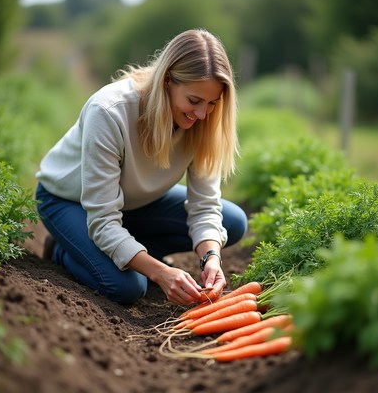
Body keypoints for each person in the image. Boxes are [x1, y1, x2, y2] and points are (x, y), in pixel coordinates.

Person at [35, 28, 247, 306]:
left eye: (212, 103)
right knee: (127, 287)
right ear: (168, 79)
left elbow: (205, 206)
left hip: (132, 205)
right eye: (194, 101)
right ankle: (63, 251)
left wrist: (211, 259)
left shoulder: (204, 121)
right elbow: (103, 220)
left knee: (232, 222)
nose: (201, 114)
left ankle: (128, 252)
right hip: (70, 201)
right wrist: (160, 272)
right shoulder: (110, 111)